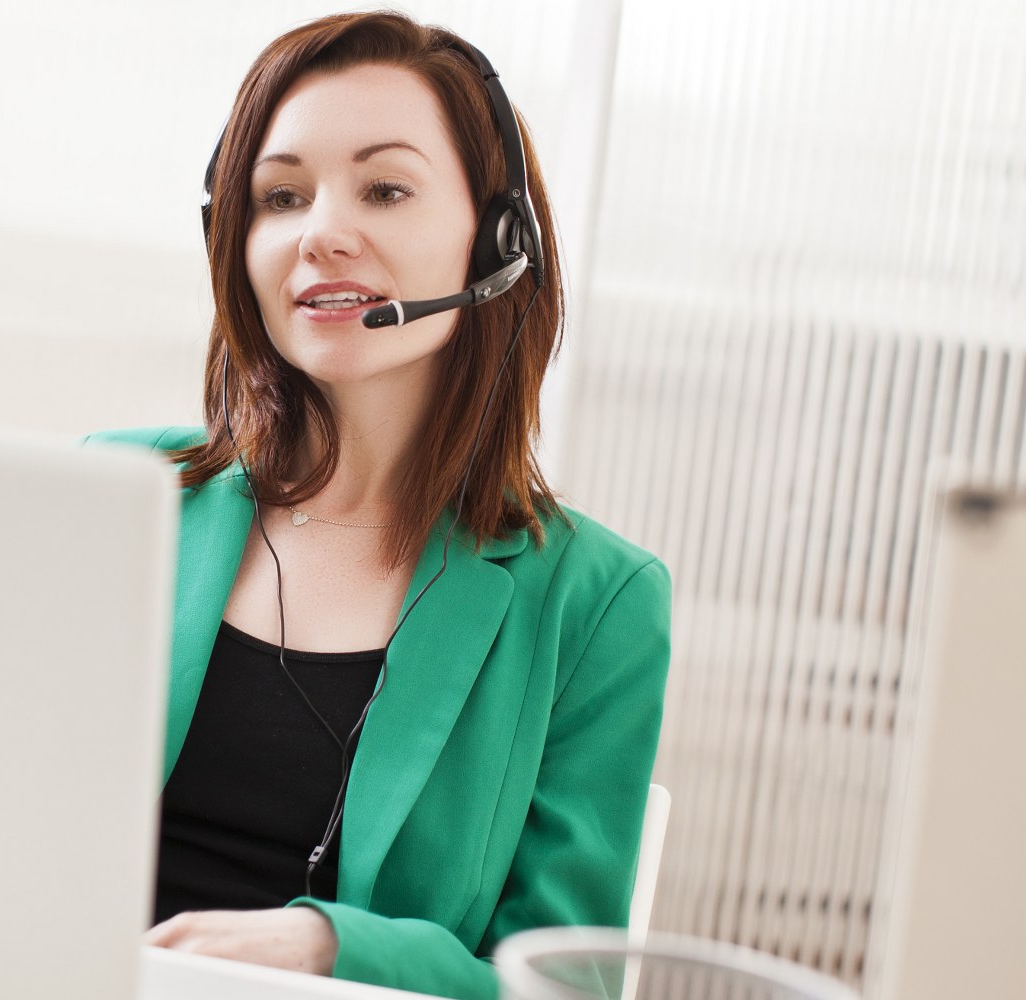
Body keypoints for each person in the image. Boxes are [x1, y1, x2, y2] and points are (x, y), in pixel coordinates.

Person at [88, 12, 669, 1000]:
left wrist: (330, 948)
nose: (319, 233)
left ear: (499, 242)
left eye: (386, 188)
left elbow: (562, 986)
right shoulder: (112, 495)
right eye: (280, 196)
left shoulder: (595, 599)